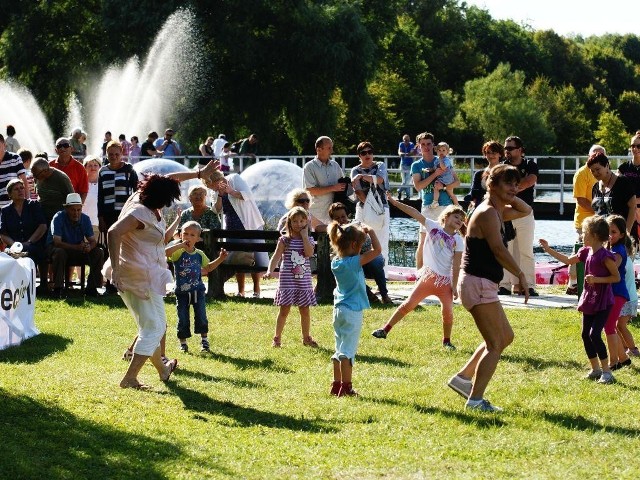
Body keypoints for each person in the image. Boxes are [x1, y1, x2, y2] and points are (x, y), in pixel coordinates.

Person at [105, 159, 219, 389]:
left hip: (150, 273)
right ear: (160, 198)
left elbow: (170, 179)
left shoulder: (145, 196)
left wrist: (199, 173)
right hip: (136, 276)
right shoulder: (140, 212)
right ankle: (130, 378)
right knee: (153, 328)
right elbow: (113, 232)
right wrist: (116, 269)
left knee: (158, 325)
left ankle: (163, 369)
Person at [448, 164, 532, 412]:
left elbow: (527, 210)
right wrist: (520, 275)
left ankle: (462, 379)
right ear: (491, 185)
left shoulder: (496, 210)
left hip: (482, 283)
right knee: (495, 343)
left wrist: (511, 194)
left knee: (505, 337)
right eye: (508, 183)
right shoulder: (486, 213)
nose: (514, 188)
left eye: (516, 183)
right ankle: (475, 400)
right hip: (478, 283)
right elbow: (498, 249)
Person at [372, 197, 465, 349]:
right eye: (456, 216)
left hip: (444, 282)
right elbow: (414, 212)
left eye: (461, 219)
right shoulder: (433, 226)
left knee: (447, 312)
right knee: (408, 304)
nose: (459, 220)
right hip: (427, 278)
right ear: (446, 216)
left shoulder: (458, 240)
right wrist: (394, 203)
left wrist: (454, 287)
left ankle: (446, 341)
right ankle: (385, 329)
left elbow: (456, 266)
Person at [540, 215, 620, 384]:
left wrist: (597, 279)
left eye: (585, 233)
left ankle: (607, 372)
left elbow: (616, 277)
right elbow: (568, 260)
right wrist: (548, 249)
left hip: (603, 301)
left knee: (595, 334)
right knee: (585, 334)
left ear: (595, 235)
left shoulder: (605, 256)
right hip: (589, 299)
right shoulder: (585, 252)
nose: (582, 236)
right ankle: (595, 369)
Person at [328, 220, 381, 397]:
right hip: (352, 312)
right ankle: (347, 387)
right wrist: (371, 231)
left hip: (338, 311)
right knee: (348, 352)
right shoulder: (354, 263)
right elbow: (378, 251)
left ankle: (336, 385)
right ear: (353, 245)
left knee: (339, 349)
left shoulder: (335, 262)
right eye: (361, 245)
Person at [166, 221, 228, 353]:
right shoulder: (178, 252)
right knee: (182, 317)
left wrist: (220, 259)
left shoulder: (199, 254)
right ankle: (183, 343)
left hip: (198, 291)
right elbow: (165, 253)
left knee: (201, 315)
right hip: (182, 292)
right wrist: (179, 245)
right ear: (180, 235)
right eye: (185, 234)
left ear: (198, 238)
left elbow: (209, 267)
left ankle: (204, 341)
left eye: (192, 235)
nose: (188, 237)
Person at [263, 207, 318, 348]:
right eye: (295, 221)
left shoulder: (310, 240)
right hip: (288, 281)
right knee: (284, 310)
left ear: (306, 222)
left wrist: (305, 236)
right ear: (289, 222)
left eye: (301, 221)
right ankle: (277, 337)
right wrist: (270, 270)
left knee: (305, 310)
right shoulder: (284, 240)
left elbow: (309, 253)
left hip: (303, 281)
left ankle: (306, 337)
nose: (298, 224)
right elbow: (276, 256)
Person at [213, 173, 268, 297]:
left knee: (254, 256)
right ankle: (241, 290)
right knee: (237, 258)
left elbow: (247, 196)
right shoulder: (215, 191)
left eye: (212, 185)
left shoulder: (234, 179)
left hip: (249, 223)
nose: (213, 189)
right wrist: (220, 195)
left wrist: (231, 191)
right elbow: (216, 209)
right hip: (231, 226)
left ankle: (256, 289)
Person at [498, 136, 539, 297]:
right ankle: (504, 285)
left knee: (526, 250)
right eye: (505, 148)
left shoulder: (530, 165)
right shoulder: (502, 167)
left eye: (510, 148)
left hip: (525, 213)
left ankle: (528, 285)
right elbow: (497, 186)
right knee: (505, 249)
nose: (506, 151)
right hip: (506, 213)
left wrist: (510, 188)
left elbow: (530, 181)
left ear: (520, 150)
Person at [328, 202, 392, 304]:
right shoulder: (334, 231)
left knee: (376, 261)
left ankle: (384, 294)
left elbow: (368, 246)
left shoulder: (356, 225)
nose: (341, 220)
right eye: (337, 218)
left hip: (364, 258)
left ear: (347, 215)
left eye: (343, 217)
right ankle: (368, 294)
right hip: (352, 261)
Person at [46, 193, 104, 298]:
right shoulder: (58, 217)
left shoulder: (85, 219)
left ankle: (92, 288)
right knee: (60, 252)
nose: (76, 213)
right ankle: (58, 288)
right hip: (58, 250)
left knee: (98, 252)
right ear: (67, 209)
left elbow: (93, 241)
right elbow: (57, 242)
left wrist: (89, 247)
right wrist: (77, 247)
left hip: (76, 250)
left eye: (79, 210)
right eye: (73, 210)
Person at [411, 132, 454, 270]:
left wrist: (445, 186)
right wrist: (434, 174)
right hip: (428, 206)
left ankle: (445, 274)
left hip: (445, 204)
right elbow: (418, 187)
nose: (426, 147)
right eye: (423, 144)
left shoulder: (442, 159)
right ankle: (420, 274)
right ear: (419, 146)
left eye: (429, 144)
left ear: (433, 145)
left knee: (447, 240)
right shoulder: (417, 165)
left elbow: (457, 181)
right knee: (423, 240)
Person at [566, 145, 600, 295]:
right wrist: (599, 209)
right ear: (588, 156)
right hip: (584, 220)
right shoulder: (581, 174)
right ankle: (573, 282)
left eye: (600, 155)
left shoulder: (604, 173)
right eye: (594, 155)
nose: (596, 158)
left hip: (599, 221)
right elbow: (581, 200)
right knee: (580, 250)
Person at [351, 141, 391, 268]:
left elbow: (379, 180)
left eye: (370, 152)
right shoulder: (355, 170)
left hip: (381, 208)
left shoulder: (380, 165)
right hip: (363, 208)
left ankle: (383, 273)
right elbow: (357, 190)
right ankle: (359, 270)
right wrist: (369, 205)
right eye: (363, 153)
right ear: (359, 156)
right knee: (358, 240)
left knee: (382, 241)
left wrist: (362, 176)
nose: (367, 155)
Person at [0, 179, 48, 279]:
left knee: (32, 251)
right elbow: (3, 233)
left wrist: (29, 242)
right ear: (10, 194)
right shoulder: (5, 211)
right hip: (13, 247)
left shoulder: (33, 205)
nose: (20, 191)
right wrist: (14, 245)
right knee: (5, 256)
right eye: (16, 189)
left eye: (22, 188)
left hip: (34, 244)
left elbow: (42, 226)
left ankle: (36, 285)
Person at [604, 215, 632, 371]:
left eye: (613, 232)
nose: (609, 235)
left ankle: (613, 362)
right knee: (609, 326)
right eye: (607, 231)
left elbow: (613, 266)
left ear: (622, 235)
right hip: (611, 292)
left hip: (618, 292)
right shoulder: (611, 248)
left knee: (609, 326)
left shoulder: (619, 250)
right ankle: (624, 358)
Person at [302, 136, 347, 224]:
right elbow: (310, 191)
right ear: (319, 150)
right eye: (329, 148)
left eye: (332, 148)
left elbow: (342, 187)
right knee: (317, 238)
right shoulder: (309, 167)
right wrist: (333, 188)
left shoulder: (335, 165)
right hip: (316, 215)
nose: (332, 151)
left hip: (335, 216)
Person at [589, 151, 636, 232]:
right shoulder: (595, 187)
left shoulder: (623, 182)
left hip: (621, 234)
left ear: (607, 166)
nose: (595, 173)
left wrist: (626, 233)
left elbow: (633, 208)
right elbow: (596, 213)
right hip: (602, 235)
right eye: (592, 171)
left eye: (597, 169)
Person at [29, 157, 74, 223]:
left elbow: (72, 201)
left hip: (59, 220)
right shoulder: (37, 177)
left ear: (45, 171)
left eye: (36, 175)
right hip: (43, 218)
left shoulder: (61, 178)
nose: (34, 177)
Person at [49, 137, 89, 204]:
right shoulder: (49, 166)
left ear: (72, 149)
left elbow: (84, 191)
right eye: (59, 146)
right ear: (56, 150)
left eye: (65, 145)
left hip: (72, 207)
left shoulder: (80, 168)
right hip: (52, 206)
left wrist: (78, 208)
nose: (62, 148)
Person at [616, 131, 640, 243]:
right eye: (632, 146)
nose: (635, 149)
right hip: (629, 213)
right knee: (630, 246)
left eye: (638, 146)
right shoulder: (623, 168)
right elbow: (615, 190)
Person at [466, 141, 504, 209]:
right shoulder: (478, 174)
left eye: (494, 153)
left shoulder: (506, 171)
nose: (491, 155)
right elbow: (473, 192)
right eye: (488, 152)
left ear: (500, 154)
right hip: (481, 207)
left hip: (500, 207)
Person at [617, 242, 639, 359]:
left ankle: (633, 349)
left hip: (628, 299)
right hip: (630, 298)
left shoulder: (623, 262)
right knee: (618, 325)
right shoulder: (628, 259)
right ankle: (625, 348)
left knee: (621, 325)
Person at [0, 134, 28, 209]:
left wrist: (27, 203)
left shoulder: (15, 158)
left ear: (4, 144)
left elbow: (24, 180)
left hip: (13, 207)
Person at [431, 142, 460, 207]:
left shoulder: (446, 160)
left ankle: (457, 205)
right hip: (441, 179)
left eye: (443, 150)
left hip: (448, 180)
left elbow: (443, 167)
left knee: (451, 194)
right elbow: (435, 167)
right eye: (439, 150)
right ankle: (435, 202)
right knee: (436, 187)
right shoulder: (436, 160)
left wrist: (441, 160)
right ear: (437, 151)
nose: (441, 152)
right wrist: (431, 169)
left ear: (447, 152)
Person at [83, 155, 101, 238]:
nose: (93, 168)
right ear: (85, 167)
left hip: (99, 224)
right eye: (89, 165)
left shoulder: (103, 184)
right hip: (82, 224)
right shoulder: (81, 183)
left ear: (100, 167)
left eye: (95, 165)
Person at [397, 134, 416, 200]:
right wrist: (404, 154)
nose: (406, 141)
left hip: (410, 165)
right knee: (404, 181)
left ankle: (399, 191)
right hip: (402, 164)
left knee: (407, 181)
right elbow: (399, 153)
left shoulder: (411, 144)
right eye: (405, 140)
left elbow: (411, 153)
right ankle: (408, 196)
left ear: (409, 140)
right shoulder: (401, 144)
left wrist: (404, 154)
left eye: (407, 140)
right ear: (403, 140)